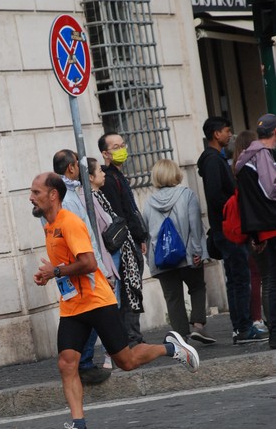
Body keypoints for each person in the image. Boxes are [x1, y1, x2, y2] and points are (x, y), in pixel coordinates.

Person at [30, 172, 199, 429]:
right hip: (72, 306)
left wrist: (55, 271)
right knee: (66, 363)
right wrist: (50, 273)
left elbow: (88, 262)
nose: (31, 197)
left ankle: (171, 349)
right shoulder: (49, 226)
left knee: (127, 361)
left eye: (36, 192)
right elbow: (65, 265)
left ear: (53, 195)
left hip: (97, 301)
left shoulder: (70, 223)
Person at [197, 117, 267, 344]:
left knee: (237, 278)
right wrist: (236, 207)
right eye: (227, 131)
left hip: (227, 228)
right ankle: (243, 327)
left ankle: (242, 327)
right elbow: (217, 196)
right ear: (216, 134)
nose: (230, 135)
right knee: (240, 278)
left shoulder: (216, 159)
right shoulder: (213, 161)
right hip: (229, 229)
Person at [52, 149, 110, 385]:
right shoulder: (67, 198)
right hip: (81, 267)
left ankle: (82, 363)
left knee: (86, 314)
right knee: (93, 313)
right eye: (79, 164)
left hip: (80, 265)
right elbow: (80, 236)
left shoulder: (70, 193)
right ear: (71, 168)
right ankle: (84, 363)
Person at [143, 159, 215, 343]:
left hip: (162, 259)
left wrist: (149, 258)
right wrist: (198, 251)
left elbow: (147, 233)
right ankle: (198, 326)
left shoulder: (149, 203)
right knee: (197, 286)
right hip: (188, 254)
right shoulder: (187, 195)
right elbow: (195, 226)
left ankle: (181, 338)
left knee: (173, 297)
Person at [98, 132, 147, 347]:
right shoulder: (108, 179)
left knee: (132, 289)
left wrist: (141, 237)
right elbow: (120, 214)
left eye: (122, 144)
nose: (121, 149)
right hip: (124, 245)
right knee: (129, 290)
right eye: (115, 146)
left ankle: (132, 337)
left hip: (133, 241)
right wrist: (134, 237)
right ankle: (130, 340)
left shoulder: (118, 176)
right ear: (105, 153)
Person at [234, 114, 276, 349]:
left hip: (259, 228)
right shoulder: (262, 155)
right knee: (272, 281)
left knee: (269, 281)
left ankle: (273, 331)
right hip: (270, 225)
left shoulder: (244, 159)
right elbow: (271, 190)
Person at [79, 158, 121, 369]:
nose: (104, 173)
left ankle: (105, 355)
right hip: (101, 259)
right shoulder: (89, 199)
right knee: (105, 310)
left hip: (102, 258)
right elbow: (105, 226)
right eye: (99, 171)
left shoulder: (93, 196)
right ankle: (107, 356)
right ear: (90, 178)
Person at [232, 130, 269, 330]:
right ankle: (260, 319)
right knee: (263, 276)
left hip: (244, 228)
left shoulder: (236, 169)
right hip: (257, 227)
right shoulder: (254, 166)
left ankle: (256, 318)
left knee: (255, 275)